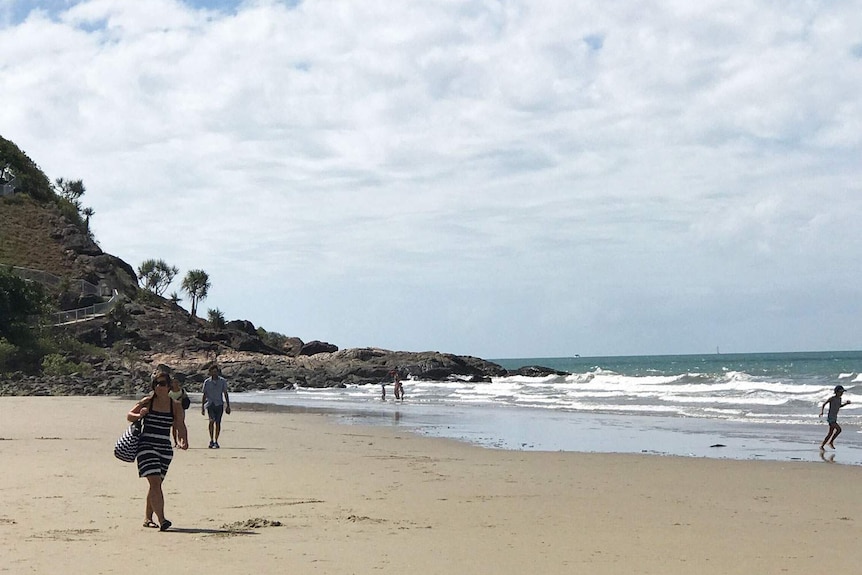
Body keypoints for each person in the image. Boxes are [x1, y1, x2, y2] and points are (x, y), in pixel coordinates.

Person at [128, 370, 188, 531]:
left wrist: (184, 440)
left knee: (156, 485)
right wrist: (139, 414)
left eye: (162, 384)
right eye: (156, 384)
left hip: (164, 448)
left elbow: (180, 425)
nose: (159, 387)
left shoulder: (174, 406)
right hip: (146, 446)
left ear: (169, 387)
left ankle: (148, 518)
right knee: (155, 482)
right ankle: (162, 520)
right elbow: (129, 416)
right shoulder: (148, 401)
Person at [202, 365, 230, 448]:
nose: (214, 373)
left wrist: (228, 405)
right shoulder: (207, 382)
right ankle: (211, 440)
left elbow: (225, 393)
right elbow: (204, 394)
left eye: (216, 371)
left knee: (218, 423)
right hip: (210, 404)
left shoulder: (222, 381)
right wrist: (202, 407)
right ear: (210, 372)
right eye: (213, 371)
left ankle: (216, 441)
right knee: (211, 421)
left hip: (219, 404)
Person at [819, 385, 851, 450]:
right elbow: (824, 404)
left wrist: (846, 404)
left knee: (830, 433)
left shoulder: (839, 399)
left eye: (842, 392)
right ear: (836, 392)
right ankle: (831, 442)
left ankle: (822, 446)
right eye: (840, 392)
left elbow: (839, 406)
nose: (842, 393)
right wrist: (822, 412)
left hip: (834, 417)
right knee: (839, 430)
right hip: (830, 417)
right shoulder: (832, 398)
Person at [168, 377, 191, 447]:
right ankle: (175, 442)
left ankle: (181, 441)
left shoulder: (182, 391)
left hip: (181, 410)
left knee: (180, 426)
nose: (175, 384)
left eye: (176, 382)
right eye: (174, 382)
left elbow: (186, 399)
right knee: (174, 427)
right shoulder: (169, 391)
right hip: (171, 410)